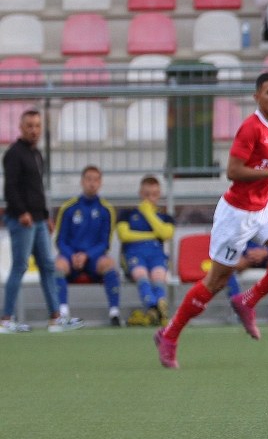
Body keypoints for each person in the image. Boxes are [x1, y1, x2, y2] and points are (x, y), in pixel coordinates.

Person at [154, 72, 268, 369]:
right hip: (235, 215)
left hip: (260, 209)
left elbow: (260, 166)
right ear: (257, 97)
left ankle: (248, 299)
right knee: (215, 281)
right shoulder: (250, 128)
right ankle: (169, 334)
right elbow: (234, 171)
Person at [1, 108, 82, 334]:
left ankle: (55, 317)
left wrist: (45, 216)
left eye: (37, 126)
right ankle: (5, 318)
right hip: (23, 221)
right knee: (19, 266)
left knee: (48, 265)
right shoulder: (14, 154)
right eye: (30, 126)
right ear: (21, 127)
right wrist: (21, 212)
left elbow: (37, 190)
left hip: (38, 220)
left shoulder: (36, 154)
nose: (34, 130)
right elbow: (11, 188)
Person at [54, 165, 122, 326]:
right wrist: (72, 255)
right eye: (89, 179)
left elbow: (105, 242)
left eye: (96, 180)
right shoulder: (68, 208)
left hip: (93, 258)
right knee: (58, 265)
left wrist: (87, 256)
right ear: (82, 182)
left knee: (109, 264)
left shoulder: (106, 209)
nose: (92, 183)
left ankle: (115, 313)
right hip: (71, 257)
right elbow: (60, 240)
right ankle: (63, 313)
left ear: (100, 183)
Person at [117, 175, 175, 327]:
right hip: (134, 254)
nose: (150, 198)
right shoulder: (127, 214)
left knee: (158, 275)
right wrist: (152, 235)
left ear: (159, 195)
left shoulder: (165, 217)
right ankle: (154, 306)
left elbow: (166, 234)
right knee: (141, 274)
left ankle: (156, 308)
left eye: (154, 195)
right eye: (146, 194)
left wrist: (149, 213)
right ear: (140, 193)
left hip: (156, 255)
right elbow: (123, 235)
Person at [226, 199, 268, 324]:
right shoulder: (237, 202)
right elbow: (231, 233)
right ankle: (238, 308)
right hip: (245, 252)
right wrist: (245, 252)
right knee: (226, 264)